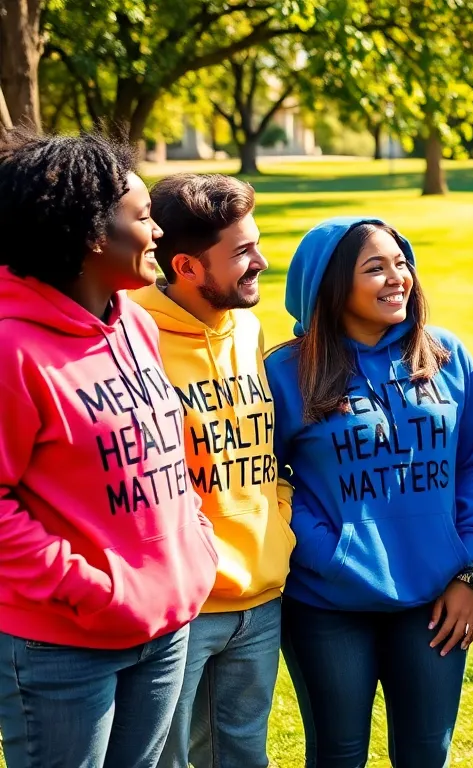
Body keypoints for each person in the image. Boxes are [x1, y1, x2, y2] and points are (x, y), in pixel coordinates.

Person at [0, 132, 218, 767]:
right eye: (144, 217)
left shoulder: (139, 323)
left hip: (165, 626)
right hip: (63, 645)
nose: (157, 233)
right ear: (93, 234)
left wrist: (192, 547)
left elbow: (163, 457)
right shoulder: (13, 350)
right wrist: (92, 589)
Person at [266, 216, 473, 766]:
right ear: (331, 284)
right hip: (328, 600)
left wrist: (466, 567)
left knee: (425, 752)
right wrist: (330, 552)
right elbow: (265, 481)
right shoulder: (287, 371)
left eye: (401, 264)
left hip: (435, 598)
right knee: (339, 753)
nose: (398, 278)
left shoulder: (444, 355)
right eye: (376, 268)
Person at [128, 174, 290, 768]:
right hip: (184, 606)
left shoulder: (248, 328)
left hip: (262, 594)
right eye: (242, 253)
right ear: (187, 268)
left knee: (243, 754)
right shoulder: (132, 335)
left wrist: (280, 524)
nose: (261, 262)